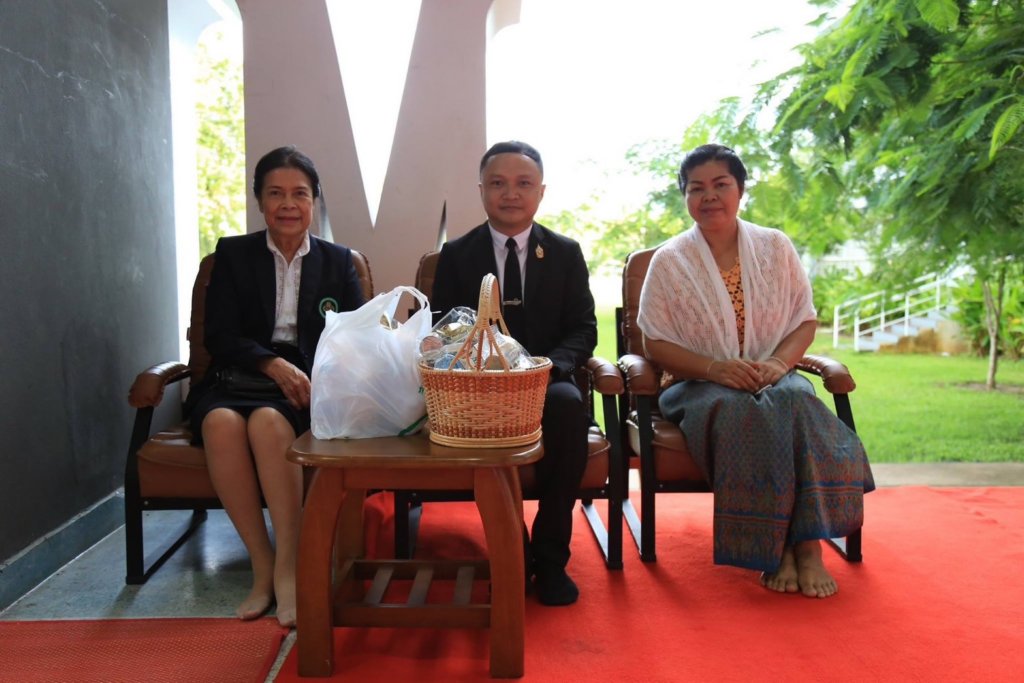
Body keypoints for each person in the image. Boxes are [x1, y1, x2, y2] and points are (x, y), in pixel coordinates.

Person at [636, 143, 874, 598]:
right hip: (695, 382)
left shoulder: (774, 246)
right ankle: (778, 548)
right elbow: (655, 343)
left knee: (796, 398)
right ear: (685, 197)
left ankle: (808, 546)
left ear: (740, 189)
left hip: (773, 371)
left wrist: (778, 364)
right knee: (741, 410)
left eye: (720, 184)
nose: (709, 196)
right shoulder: (669, 261)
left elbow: (804, 319)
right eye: (696, 188)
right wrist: (715, 368)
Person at [184, 146, 366, 626]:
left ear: (314, 201)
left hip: (305, 381)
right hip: (238, 373)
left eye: (299, 194)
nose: (288, 204)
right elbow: (218, 335)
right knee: (220, 423)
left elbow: (354, 335)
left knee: (267, 423)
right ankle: (261, 565)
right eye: (276, 193)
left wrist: (311, 374)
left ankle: (288, 567)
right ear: (260, 200)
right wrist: (270, 364)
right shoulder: (233, 254)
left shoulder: (338, 261)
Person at [431, 141, 597, 606]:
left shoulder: (565, 252)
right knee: (480, 422)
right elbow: (444, 327)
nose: (511, 194)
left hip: (547, 380)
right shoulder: (457, 254)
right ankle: (513, 551)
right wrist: (480, 369)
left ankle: (551, 556)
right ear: (481, 190)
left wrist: (551, 366)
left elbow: (584, 328)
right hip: (480, 385)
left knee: (567, 407)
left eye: (523, 183)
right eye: (498, 183)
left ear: (540, 192)